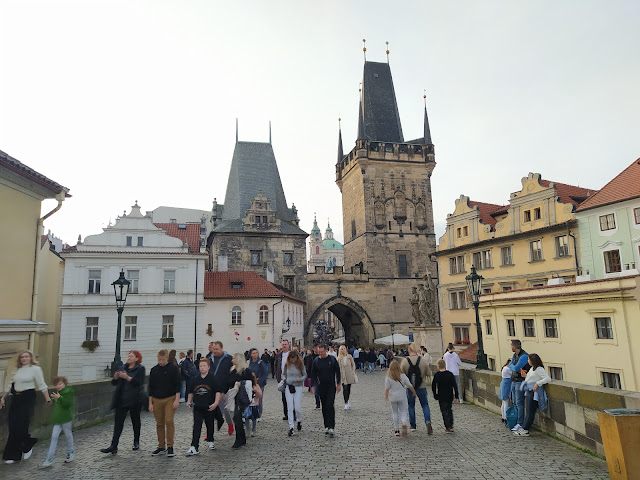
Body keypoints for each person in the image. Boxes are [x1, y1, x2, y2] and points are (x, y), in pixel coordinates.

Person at [1, 351, 51, 464]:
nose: (24, 358)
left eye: (26, 356)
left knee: (22, 425)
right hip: (16, 398)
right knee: (13, 425)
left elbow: (42, 384)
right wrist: (3, 397)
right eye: (22, 357)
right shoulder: (16, 370)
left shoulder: (35, 369)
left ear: (30, 358)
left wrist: (47, 399)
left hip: (28, 397)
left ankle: (27, 445)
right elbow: (9, 385)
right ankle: (14, 454)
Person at [100, 350, 146, 455]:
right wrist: (115, 378)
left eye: (131, 356)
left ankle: (136, 441)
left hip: (135, 399)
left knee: (135, 421)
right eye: (128, 356)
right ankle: (113, 446)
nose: (129, 358)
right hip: (121, 399)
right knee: (118, 423)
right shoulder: (122, 367)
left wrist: (127, 377)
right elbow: (114, 383)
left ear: (137, 358)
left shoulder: (140, 369)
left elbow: (138, 383)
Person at [148, 349, 181, 457]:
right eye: (159, 360)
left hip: (170, 398)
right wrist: (150, 403)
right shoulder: (154, 370)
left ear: (167, 358)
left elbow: (178, 384)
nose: (161, 362)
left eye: (163, 359)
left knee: (169, 420)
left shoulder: (173, 368)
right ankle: (161, 446)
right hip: (157, 399)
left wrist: (177, 399)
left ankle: (170, 446)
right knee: (159, 423)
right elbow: (150, 387)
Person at [186, 358, 221, 455]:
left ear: (208, 367)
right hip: (198, 407)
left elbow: (218, 391)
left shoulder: (212, 378)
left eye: (204, 366)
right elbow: (191, 392)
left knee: (209, 424)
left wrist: (216, 403)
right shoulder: (195, 379)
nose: (202, 368)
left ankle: (210, 440)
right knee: (197, 426)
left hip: (209, 406)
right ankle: (194, 446)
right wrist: (189, 401)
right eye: (201, 366)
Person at [513, 354, 551, 437]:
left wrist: (538, 383)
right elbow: (531, 378)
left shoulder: (539, 369)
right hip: (529, 391)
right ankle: (524, 428)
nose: (528, 361)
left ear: (532, 360)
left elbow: (548, 378)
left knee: (530, 411)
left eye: (529, 360)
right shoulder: (532, 369)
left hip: (534, 392)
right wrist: (525, 376)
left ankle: (525, 429)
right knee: (529, 410)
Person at [42, 376, 75, 467]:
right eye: (56, 385)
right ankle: (49, 459)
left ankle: (71, 452)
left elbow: (67, 404)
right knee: (54, 437)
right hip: (58, 419)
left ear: (65, 384)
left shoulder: (69, 391)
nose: (58, 386)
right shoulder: (59, 393)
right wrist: (51, 400)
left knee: (68, 435)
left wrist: (59, 398)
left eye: (60, 384)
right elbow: (56, 401)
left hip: (66, 419)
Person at [400, 343, 433, 434]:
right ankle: (427, 421)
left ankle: (413, 425)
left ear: (409, 350)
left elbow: (401, 375)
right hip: (421, 386)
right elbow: (429, 373)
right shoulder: (422, 360)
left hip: (410, 387)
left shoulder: (405, 361)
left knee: (411, 406)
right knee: (425, 405)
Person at [310, 344, 341, 437]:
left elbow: (337, 371)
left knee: (330, 405)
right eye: (319, 352)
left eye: (322, 352)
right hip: (321, 386)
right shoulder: (316, 361)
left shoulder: (332, 359)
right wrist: (312, 385)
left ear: (325, 351)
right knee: (324, 406)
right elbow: (313, 374)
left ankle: (332, 426)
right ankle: (326, 425)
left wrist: (338, 383)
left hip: (331, 385)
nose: (320, 354)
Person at [228, 353, 255, 448]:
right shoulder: (233, 370)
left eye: (233, 358)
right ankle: (241, 438)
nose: (232, 360)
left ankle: (239, 439)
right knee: (236, 418)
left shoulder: (245, 371)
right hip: (235, 397)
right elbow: (229, 382)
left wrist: (241, 383)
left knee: (237, 417)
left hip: (242, 397)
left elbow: (251, 383)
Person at [385, 359, 416, 436]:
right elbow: (409, 385)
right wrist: (414, 392)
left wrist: (386, 396)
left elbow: (387, 388)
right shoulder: (403, 376)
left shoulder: (389, 377)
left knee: (395, 412)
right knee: (403, 411)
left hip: (393, 397)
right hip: (401, 396)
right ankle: (404, 423)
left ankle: (396, 430)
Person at [209, 341, 234, 434]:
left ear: (221, 348)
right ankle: (209, 431)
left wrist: (224, 391)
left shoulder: (229, 359)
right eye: (213, 349)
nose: (215, 351)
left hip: (225, 389)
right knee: (210, 411)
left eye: (217, 349)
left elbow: (230, 377)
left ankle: (230, 424)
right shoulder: (209, 359)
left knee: (226, 410)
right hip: (212, 390)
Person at [432, 359, 459, 433]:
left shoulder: (437, 375)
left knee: (444, 411)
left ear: (438, 366)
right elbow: (455, 386)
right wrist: (456, 396)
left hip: (441, 395)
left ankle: (447, 427)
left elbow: (433, 386)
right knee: (449, 409)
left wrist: (435, 394)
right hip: (449, 395)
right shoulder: (450, 374)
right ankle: (451, 424)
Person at [508, 339, 530, 432]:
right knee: (515, 403)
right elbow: (511, 366)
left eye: (511, 345)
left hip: (520, 382)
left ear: (514, 346)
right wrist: (513, 367)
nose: (510, 347)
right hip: (514, 380)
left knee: (519, 403)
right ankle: (517, 422)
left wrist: (513, 367)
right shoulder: (515, 355)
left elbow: (516, 368)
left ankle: (520, 423)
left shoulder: (524, 356)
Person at [283, 350, 307, 436]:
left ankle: (299, 420)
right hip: (289, 386)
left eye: (294, 359)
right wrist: (286, 380)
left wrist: (300, 379)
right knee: (290, 407)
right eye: (291, 359)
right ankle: (291, 427)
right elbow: (284, 374)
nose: (293, 360)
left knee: (297, 407)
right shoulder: (287, 364)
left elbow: (305, 375)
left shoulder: (300, 364)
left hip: (298, 386)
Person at [248, 348, 268, 420]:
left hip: (259, 384)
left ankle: (259, 414)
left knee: (258, 399)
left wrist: (259, 382)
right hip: (250, 383)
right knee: (251, 399)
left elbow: (265, 373)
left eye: (256, 352)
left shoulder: (260, 362)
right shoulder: (249, 362)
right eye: (253, 353)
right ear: (250, 354)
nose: (255, 354)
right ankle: (252, 413)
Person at [275, 339, 292, 420]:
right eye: (283, 344)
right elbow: (276, 366)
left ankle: (293, 413)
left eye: (285, 344)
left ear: (288, 345)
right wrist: (277, 376)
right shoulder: (279, 355)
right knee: (284, 398)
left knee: (292, 397)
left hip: (292, 379)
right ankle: (286, 414)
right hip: (283, 379)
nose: (284, 346)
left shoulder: (292, 354)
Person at [337, 345, 356, 410]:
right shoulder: (339, 358)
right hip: (343, 375)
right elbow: (338, 367)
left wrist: (352, 371)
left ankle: (347, 400)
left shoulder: (349, 357)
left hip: (349, 374)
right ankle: (346, 403)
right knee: (345, 389)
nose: (343, 350)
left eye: (344, 349)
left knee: (348, 389)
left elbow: (353, 364)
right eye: (342, 349)